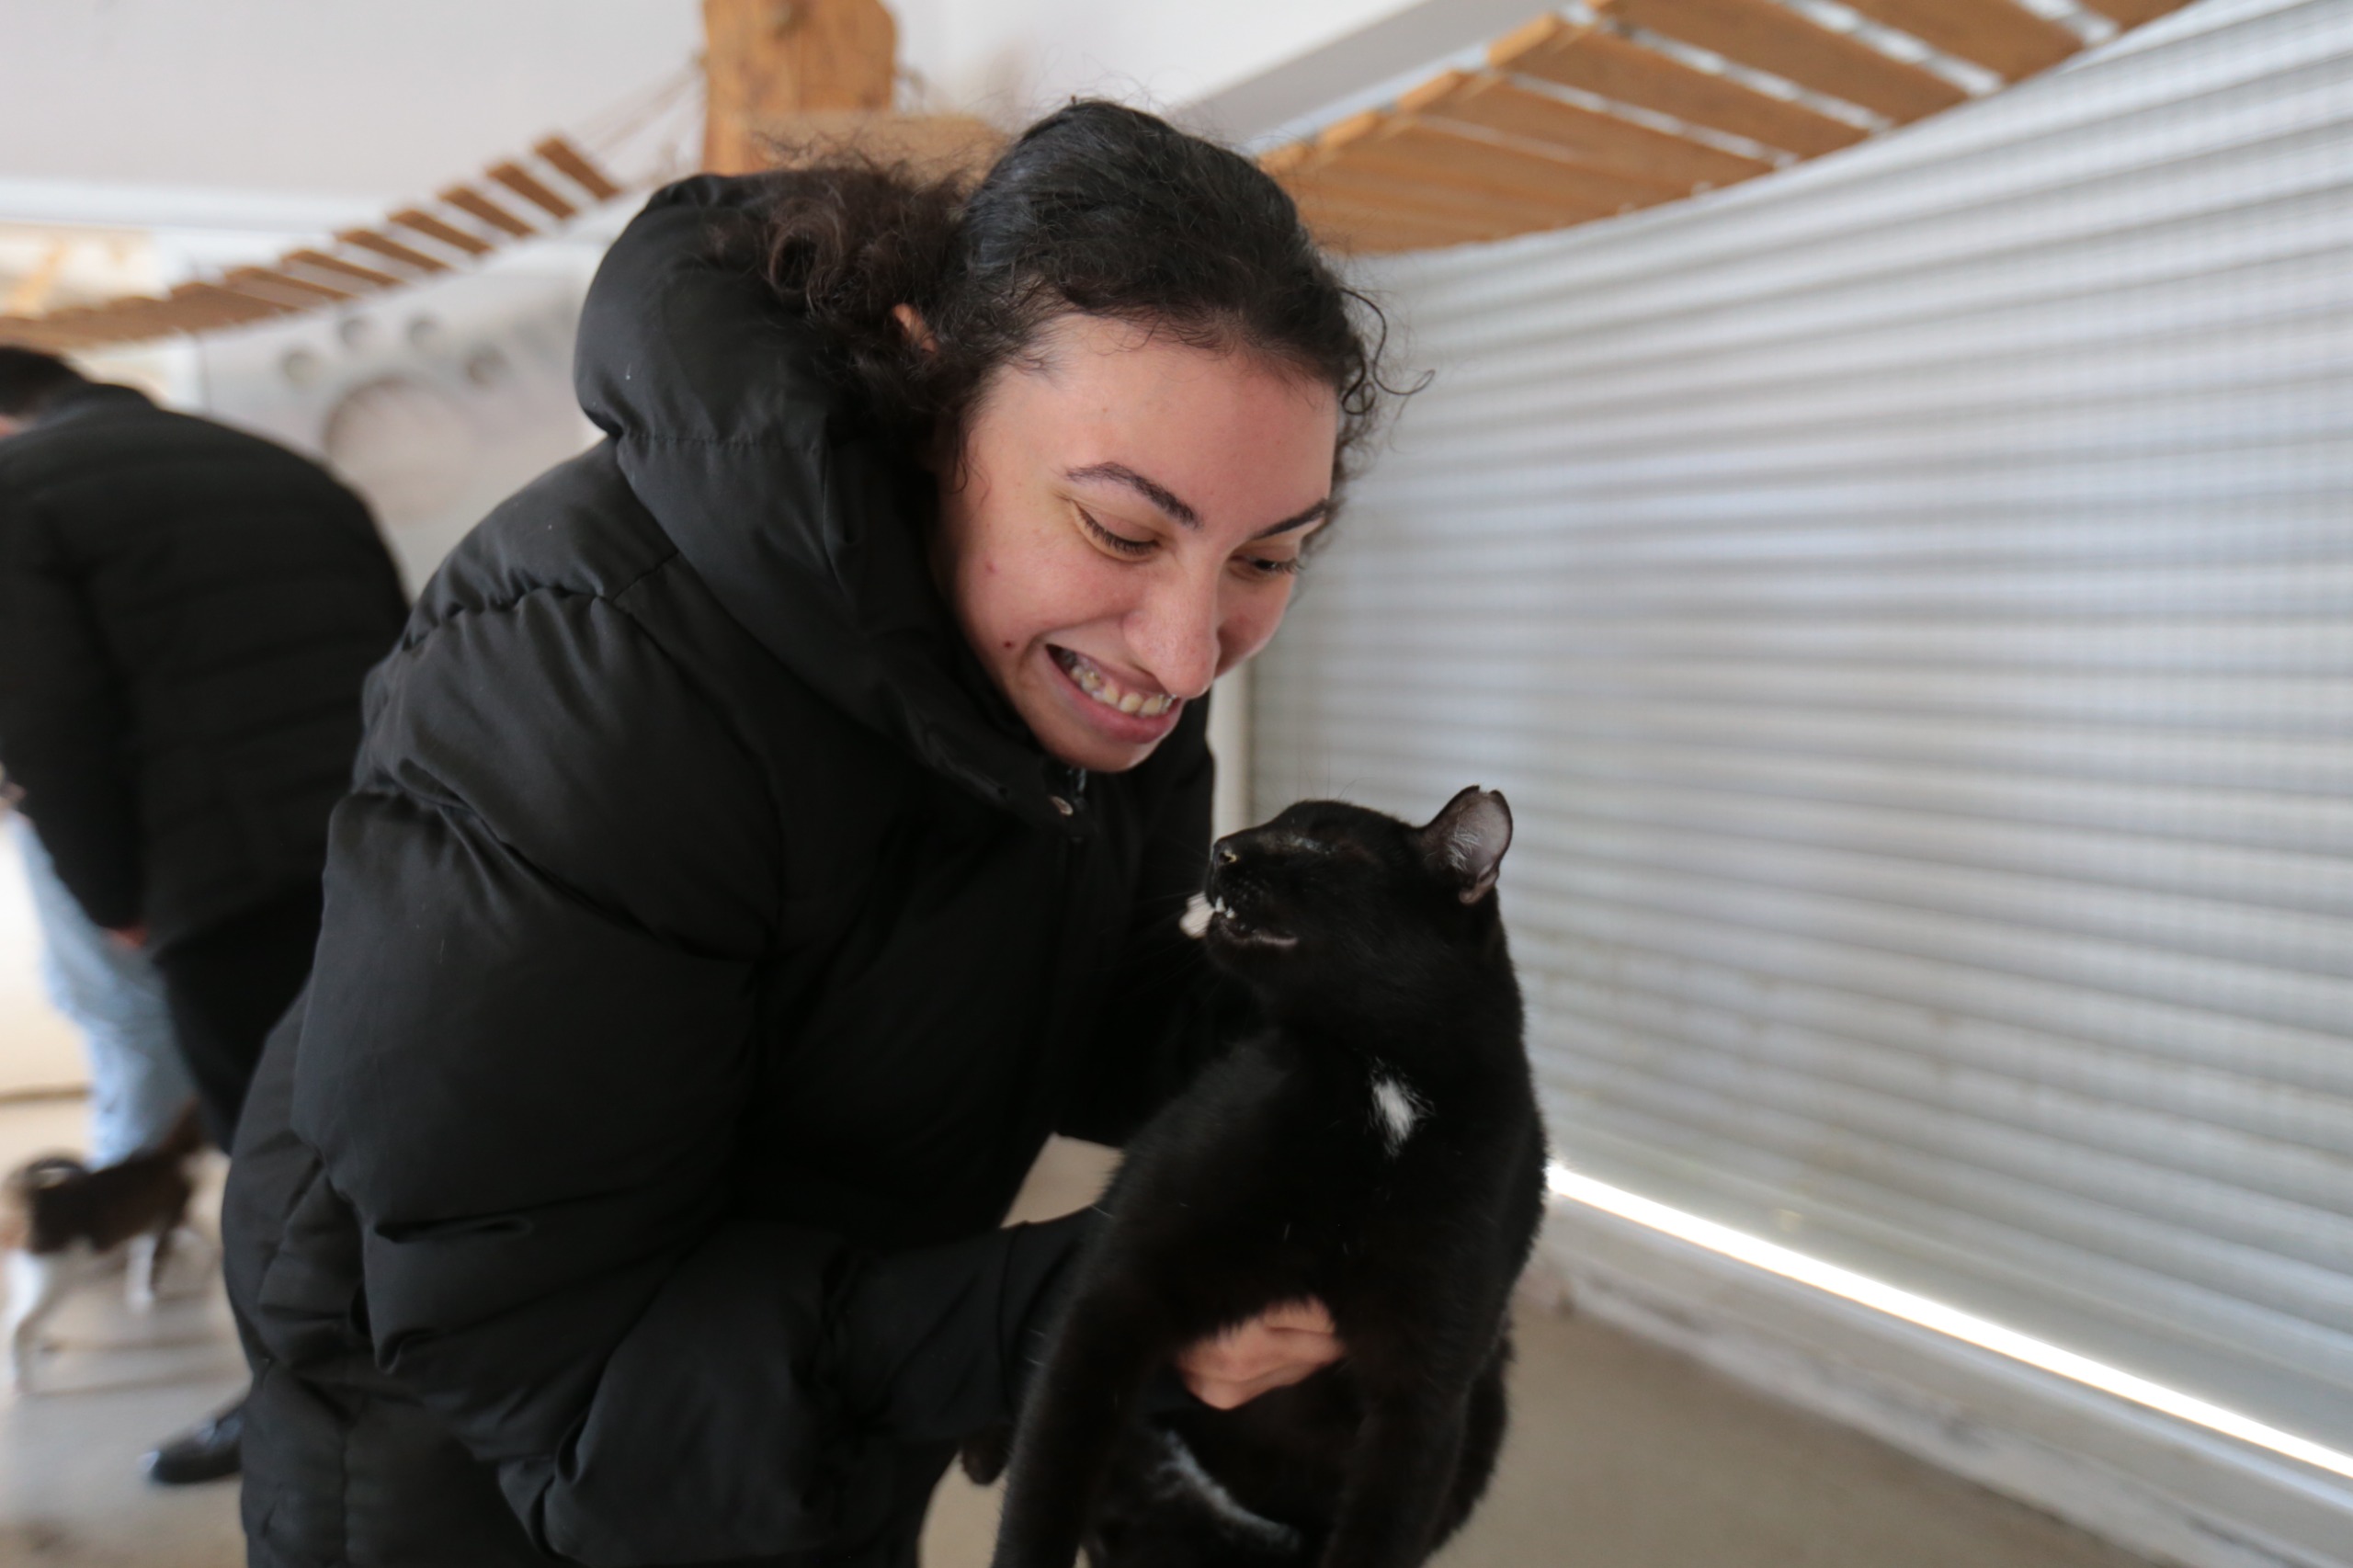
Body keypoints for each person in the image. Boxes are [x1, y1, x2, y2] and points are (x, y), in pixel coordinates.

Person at [223, 101, 1395, 1567]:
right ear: (926, 379)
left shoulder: (1096, 672)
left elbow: (1054, 985)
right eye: (1119, 528)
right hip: (478, 1457)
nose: (1184, 647)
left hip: (816, 1394)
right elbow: (552, 1357)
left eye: (1270, 554)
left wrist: (1353, 1058)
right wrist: (1114, 1301)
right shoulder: (600, 687)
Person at [0, 346, 411, 1482]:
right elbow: (405, 651)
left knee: (276, 1160)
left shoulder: (19, 493)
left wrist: (112, 895)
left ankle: (298, 1412)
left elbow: (43, 717)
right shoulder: (281, 468)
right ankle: (438, 1382)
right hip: (389, 849)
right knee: (395, 1129)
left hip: (221, 878)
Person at [5, 799, 192, 1165]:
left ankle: (127, 1192)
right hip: (67, 805)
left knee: (125, 1013)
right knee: (116, 1009)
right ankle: (126, 1191)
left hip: (74, 806)